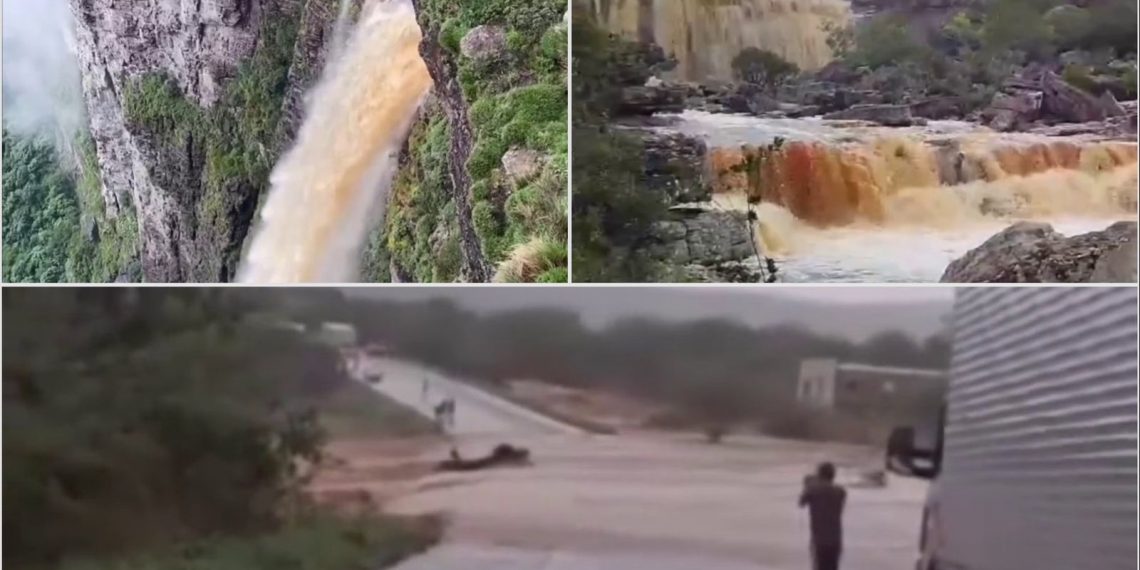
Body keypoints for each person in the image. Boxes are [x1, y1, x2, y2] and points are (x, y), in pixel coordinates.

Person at [798, 462, 846, 570]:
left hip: (819, 540)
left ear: (820, 475)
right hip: (836, 539)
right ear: (833, 475)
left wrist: (808, 485)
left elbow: (801, 503)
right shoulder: (840, 491)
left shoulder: (812, 490)